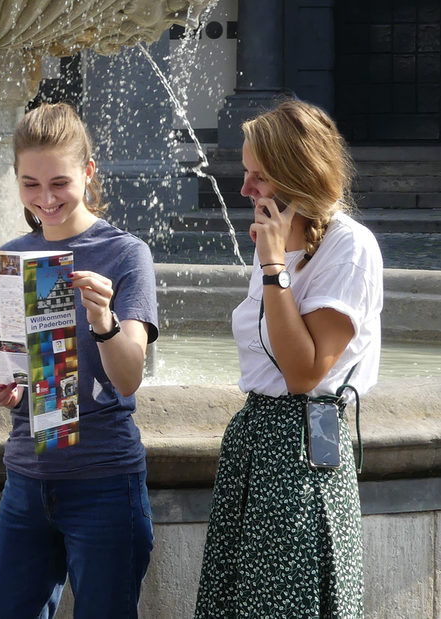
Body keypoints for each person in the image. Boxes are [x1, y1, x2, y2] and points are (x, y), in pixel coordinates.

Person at [194, 99, 383, 618]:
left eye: (258, 175)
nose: (244, 188)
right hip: (256, 443)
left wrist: (275, 267)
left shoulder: (349, 247)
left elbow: (303, 374)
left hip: (301, 451)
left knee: (289, 603)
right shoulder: (277, 239)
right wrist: (275, 259)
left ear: (296, 176)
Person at [0, 102, 159, 618]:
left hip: (104, 481)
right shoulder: (12, 255)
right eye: (30, 184)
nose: (46, 198)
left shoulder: (126, 253)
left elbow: (128, 379)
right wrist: (10, 388)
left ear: (88, 172)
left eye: (59, 182)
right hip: (25, 478)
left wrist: (103, 319)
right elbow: (24, 372)